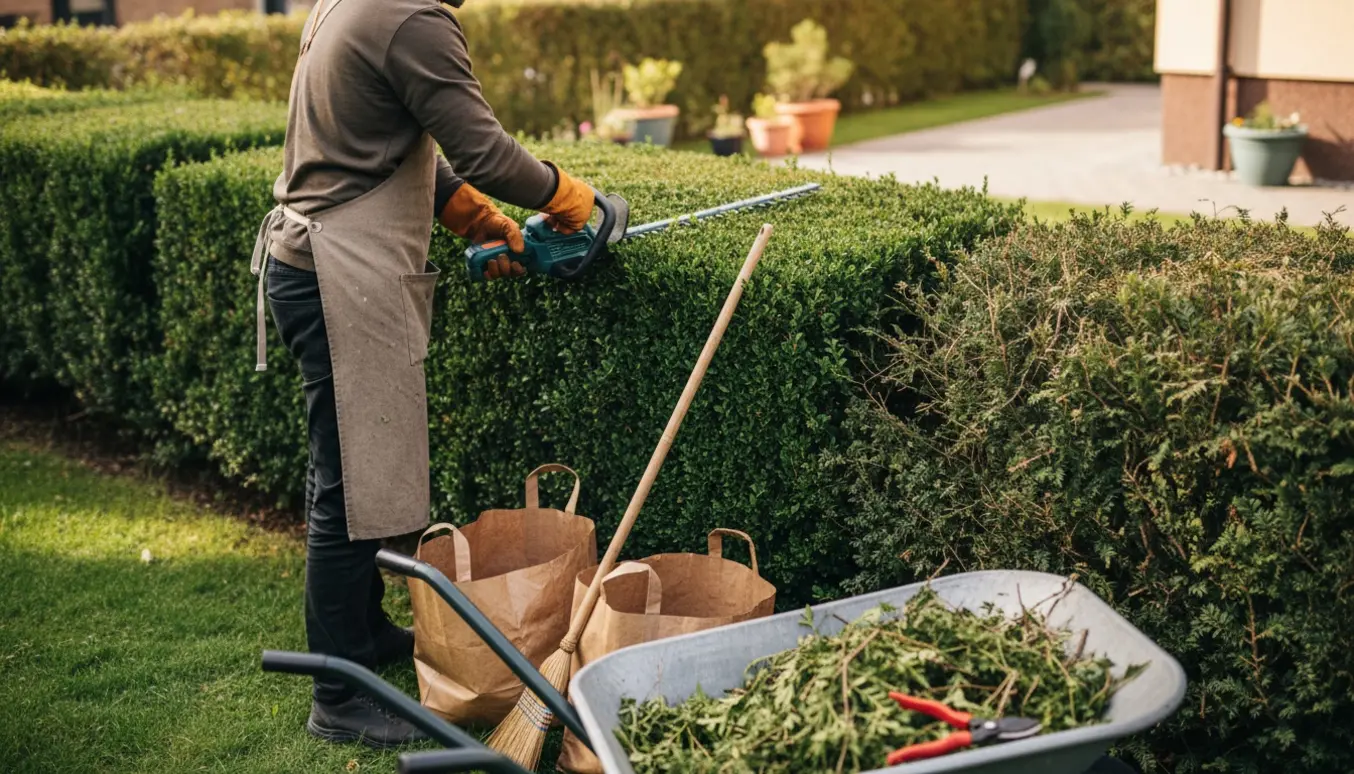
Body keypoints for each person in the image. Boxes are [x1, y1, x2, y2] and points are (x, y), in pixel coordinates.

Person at [246, 0, 594, 748]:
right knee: (351, 487)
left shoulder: (352, 2)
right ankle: (339, 695)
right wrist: (573, 198)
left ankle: (364, 633)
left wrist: (472, 216)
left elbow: (383, 138)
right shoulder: (412, 19)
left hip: (317, 265)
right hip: (339, 274)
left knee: (347, 473)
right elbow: (488, 153)